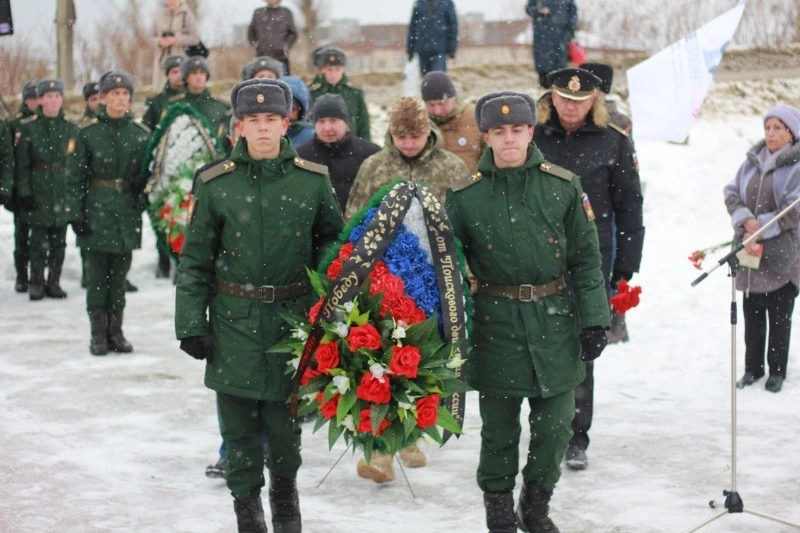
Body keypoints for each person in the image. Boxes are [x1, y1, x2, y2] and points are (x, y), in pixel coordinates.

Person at [175, 77, 344, 532]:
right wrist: (191, 322)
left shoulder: (312, 181)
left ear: (288, 124)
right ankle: (247, 515)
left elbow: (333, 245)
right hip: (234, 322)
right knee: (240, 433)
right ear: (240, 126)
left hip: (292, 322)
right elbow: (194, 260)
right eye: (254, 120)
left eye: (272, 119)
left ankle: (287, 508)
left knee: (286, 433)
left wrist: (326, 309)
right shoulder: (215, 184)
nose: (264, 129)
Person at [446, 90, 610, 533]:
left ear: (531, 132)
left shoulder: (562, 186)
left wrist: (596, 318)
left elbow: (587, 261)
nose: (509, 139)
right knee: (499, 434)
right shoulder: (464, 197)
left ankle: (535, 509)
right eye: (499, 132)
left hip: (555, 322)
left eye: (517, 130)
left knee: (555, 430)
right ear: (485, 137)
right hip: (495, 326)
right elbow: (446, 267)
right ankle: (498, 516)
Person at [534, 68, 644, 471]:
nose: (571, 107)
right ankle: (544, 427)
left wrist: (626, 265)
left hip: (591, 261)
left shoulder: (613, 143)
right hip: (537, 260)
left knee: (583, 348)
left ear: (594, 101)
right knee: (538, 344)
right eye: (564, 99)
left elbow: (630, 206)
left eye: (580, 101)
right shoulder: (531, 137)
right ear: (551, 98)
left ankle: (576, 436)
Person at [66, 72, 151, 356]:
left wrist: (142, 190)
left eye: (125, 94)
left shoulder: (140, 135)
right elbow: (74, 177)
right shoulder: (88, 134)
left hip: (125, 212)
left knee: (118, 279)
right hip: (96, 210)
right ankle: (98, 334)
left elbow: (149, 177)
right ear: (102, 98)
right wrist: (75, 214)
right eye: (114, 94)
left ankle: (117, 332)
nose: (120, 99)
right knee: (97, 278)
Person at [724, 105, 800, 394]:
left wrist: (763, 226)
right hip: (750, 249)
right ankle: (752, 368)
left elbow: (794, 209)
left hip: (782, 252)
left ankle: (776, 371)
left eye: (778, 128)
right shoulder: (752, 161)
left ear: (792, 134)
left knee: (779, 316)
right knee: (752, 312)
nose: (771, 133)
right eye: (768, 127)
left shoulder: (796, 164)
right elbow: (731, 193)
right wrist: (746, 220)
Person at [579, 61, 634, 345]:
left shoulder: (616, 121)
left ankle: (614, 320)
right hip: (593, 203)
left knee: (608, 266)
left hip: (606, 205)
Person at [345, 96, 468, 219]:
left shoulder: (453, 167)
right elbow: (355, 219)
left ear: (428, 132)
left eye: (415, 137)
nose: (408, 144)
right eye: (401, 137)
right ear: (392, 134)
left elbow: (467, 217)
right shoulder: (372, 167)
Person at [15, 79, 79, 301]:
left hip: (62, 187)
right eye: (48, 96)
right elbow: (22, 165)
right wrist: (25, 192)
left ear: (62, 99)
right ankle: (36, 282)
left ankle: (54, 282)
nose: (53, 101)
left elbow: (77, 164)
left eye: (57, 96)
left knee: (59, 242)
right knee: (37, 242)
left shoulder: (72, 128)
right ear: (40, 100)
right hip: (39, 187)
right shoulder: (29, 128)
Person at [296, 94, 381, 212]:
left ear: (346, 122)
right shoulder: (301, 157)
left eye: (333, 120)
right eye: (321, 121)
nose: (327, 128)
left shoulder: (370, 154)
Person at [8, 80, 39, 292]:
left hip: (40, 188)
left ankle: (38, 277)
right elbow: (9, 158)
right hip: (19, 188)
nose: (35, 103)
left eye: (38, 98)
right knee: (21, 236)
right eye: (31, 99)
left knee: (39, 238)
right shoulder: (15, 124)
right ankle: (21, 275)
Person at [420, 70, 484, 171]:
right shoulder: (419, 122)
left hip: (471, 183)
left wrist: (472, 182)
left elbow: (490, 161)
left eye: (441, 104)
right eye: (431, 105)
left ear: (453, 98)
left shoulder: (476, 118)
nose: (437, 111)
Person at [308, 48, 371, 141]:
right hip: (319, 146)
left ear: (343, 69)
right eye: (329, 70)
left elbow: (363, 125)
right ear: (322, 70)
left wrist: (366, 148)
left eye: (337, 69)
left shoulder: (355, 93)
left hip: (351, 146)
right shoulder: (312, 93)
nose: (333, 74)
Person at [526, 0, 578, 87]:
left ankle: (559, 88)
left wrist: (571, 29)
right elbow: (528, 8)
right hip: (542, 35)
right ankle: (545, 88)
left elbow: (573, 13)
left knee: (560, 66)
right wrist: (538, 10)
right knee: (543, 65)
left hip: (561, 35)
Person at [181, 56, 231, 142]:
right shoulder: (178, 105)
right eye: (194, 73)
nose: (199, 77)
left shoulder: (220, 106)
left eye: (202, 73)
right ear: (186, 78)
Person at [151, 0, 199, 88]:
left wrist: (175, 40)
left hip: (182, 58)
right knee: (161, 89)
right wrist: (160, 41)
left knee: (181, 87)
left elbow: (195, 38)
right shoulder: (159, 16)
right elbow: (150, 38)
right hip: (162, 60)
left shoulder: (187, 15)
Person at [406, 0, 458, 76]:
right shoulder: (418, 3)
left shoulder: (447, 3)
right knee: (426, 79)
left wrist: (452, 48)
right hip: (422, 49)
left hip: (440, 49)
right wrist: (410, 49)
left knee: (439, 77)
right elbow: (413, 27)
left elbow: (453, 26)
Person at [247, 0, 297, 75]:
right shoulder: (258, 13)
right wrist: (256, 44)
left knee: (284, 80)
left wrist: (285, 46)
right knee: (262, 81)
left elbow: (293, 33)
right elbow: (251, 32)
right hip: (262, 56)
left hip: (281, 56)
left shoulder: (286, 13)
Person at [143, 55, 186, 132]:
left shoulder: (194, 97)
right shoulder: (156, 101)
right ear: (167, 75)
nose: (179, 75)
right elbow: (146, 130)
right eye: (175, 72)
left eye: (182, 71)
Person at [280, 76, 314, 147]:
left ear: (301, 112)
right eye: (280, 108)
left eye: (292, 109)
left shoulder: (312, 139)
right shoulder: (262, 135)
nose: (286, 115)